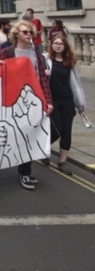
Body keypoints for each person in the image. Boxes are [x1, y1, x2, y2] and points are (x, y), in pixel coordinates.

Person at [0, 20, 53, 190]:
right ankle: (23, 170)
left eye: (30, 32)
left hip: (34, 99)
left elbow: (41, 78)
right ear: (16, 34)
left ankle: (25, 171)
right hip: (15, 100)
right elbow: (1, 77)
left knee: (30, 135)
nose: (29, 35)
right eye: (25, 32)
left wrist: (48, 100)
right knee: (20, 134)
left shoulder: (36, 52)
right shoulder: (7, 52)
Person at [45, 34, 85, 175]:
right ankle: (44, 149)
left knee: (66, 131)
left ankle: (62, 161)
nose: (58, 45)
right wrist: (45, 74)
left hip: (67, 100)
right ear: (51, 45)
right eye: (55, 43)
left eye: (61, 44)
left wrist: (80, 105)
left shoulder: (70, 62)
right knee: (57, 129)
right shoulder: (46, 60)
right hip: (52, 100)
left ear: (65, 46)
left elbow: (77, 85)